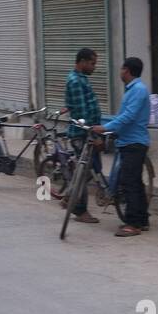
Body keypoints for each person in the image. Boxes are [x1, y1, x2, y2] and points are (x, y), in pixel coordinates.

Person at [105, 57, 152, 237]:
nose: (120, 72)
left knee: (129, 182)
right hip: (128, 141)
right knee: (136, 183)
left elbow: (129, 116)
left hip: (135, 142)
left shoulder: (138, 90)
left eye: (121, 69)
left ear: (127, 70)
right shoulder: (132, 90)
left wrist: (107, 127)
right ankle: (142, 219)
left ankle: (133, 223)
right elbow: (124, 116)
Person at [64, 47, 105, 225]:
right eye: (92, 63)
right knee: (84, 171)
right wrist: (93, 135)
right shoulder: (75, 81)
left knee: (92, 169)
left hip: (87, 132)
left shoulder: (81, 79)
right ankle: (80, 210)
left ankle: (69, 197)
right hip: (83, 135)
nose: (94, 67)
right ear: (82, 62)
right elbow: (82, 113)